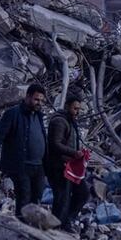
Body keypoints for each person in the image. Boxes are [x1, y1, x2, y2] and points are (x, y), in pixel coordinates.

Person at [0, 83, 48, 217]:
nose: (39, 103)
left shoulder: (39, 116)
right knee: (24, 197)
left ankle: (32, 227)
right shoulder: (13, 114)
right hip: (20, 165)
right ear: (28, 96)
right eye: (36, 99)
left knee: (37, 196)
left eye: (41, 100)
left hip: (38, 165)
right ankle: (21, 228)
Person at [45, 94, 90, 230]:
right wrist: (74, 153)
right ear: (67, 106)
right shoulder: (59, 122)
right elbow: (55, 144)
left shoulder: (70, 121)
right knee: (62, 198)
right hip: (58, 166)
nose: (77, 112)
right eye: (75, 108)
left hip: (70, 166)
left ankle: (66, 220)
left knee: (82, 193)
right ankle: (56, 226)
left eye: (79, 109)